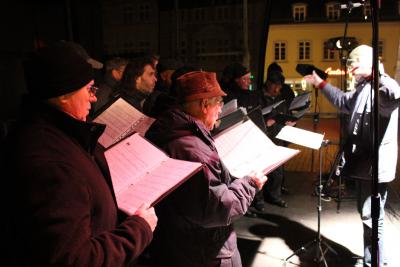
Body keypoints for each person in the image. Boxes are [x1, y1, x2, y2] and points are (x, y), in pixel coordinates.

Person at [1, 43, 157, 266]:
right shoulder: (49, 161)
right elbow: (74, 259)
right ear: (64, 95)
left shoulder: (57, 132)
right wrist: (139, 230)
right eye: (89, 89)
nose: (94, 98)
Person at [145, 71, 268, 267]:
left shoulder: (171, 130)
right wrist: (250, 184)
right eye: (218, 104)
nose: (220, 110)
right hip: (205, 250)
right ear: (204, 105)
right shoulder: (193, 150)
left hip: (179, 244)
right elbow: (218, 209)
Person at [304, 44, 400, 267]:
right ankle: (375, 260)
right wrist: (321, 84)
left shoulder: (382, 87)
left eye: (354, 66)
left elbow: (394, 95)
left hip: (374, 168)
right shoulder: (364, 87)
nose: (350, 71)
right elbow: (343, 101)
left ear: (368, 64)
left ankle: (374, 263)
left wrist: (377, 72)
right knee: (367, 215)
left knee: (371, 217)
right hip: (362, 166)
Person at [259, 71, 294, 208]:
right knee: (261, 170)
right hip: (262, 138)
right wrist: (266, 123)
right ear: (268, 83)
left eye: (279, 87)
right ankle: (258, 200)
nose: (277, 89)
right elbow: (253, 117)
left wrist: (290, 122)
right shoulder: (258, 97)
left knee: (278, 171)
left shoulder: (280, 99)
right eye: (275, 86)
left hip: (277, 138)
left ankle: (274, 196)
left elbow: (286, 114)